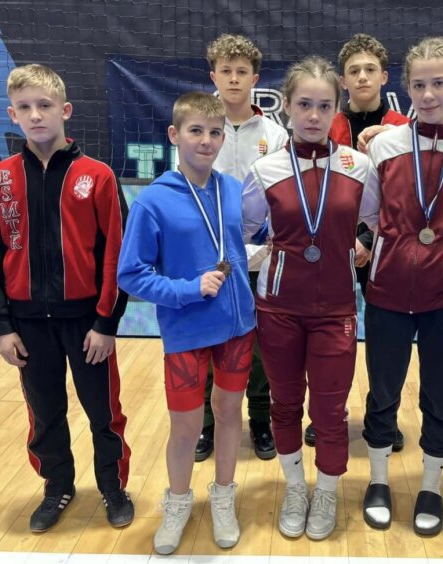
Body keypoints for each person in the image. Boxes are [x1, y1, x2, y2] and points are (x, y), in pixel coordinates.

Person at [0, 64, 133, 533]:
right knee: (44, 414)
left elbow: (117, 255)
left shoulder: (98, 176)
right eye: (24, 107)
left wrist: (106, 323)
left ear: (65, 110)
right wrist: (1, 326)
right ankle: (57, 487)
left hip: (87, 324)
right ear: (12, 114)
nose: (35, 115)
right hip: (28, 326)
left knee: (103, 413)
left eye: (44, 105)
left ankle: (113, 488)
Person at [242, 56, 380, 541]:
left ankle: (326, 491)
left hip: (336, 309)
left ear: (337, 107)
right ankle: (296, 488)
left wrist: (363, 243)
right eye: (304, 104)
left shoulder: (359, 167)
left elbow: (377, 221)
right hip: (278, 308)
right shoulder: (266, 169)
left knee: (329, 412)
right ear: (287, 107)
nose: (314, 115)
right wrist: (264, 256)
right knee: (284, 404)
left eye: (324, 105)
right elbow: (240, 231)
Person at [118, 92, 255, 554]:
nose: (206, 140)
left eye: (215, 132)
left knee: (230, 413)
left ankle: (223, 496)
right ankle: (177, 502)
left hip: (237, 328)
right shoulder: (153, 201)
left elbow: (252, 238)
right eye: (196, 131)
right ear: (174, 135)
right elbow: (131, 274)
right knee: (185, 427)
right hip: (186, 332)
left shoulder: (234, 190)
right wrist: (187, 289)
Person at [360, 38, 443, 536]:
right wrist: (394, 246)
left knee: (439, 396)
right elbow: (370, 212)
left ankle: (431, 486)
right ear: (406, 89)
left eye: (439, 83)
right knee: (382, 392)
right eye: (418, 84)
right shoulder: (386, 145)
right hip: (387, 292)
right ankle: (378, 481)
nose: (428, 94)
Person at [181, 34, 287, 463]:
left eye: (242, 71)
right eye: (225, 71)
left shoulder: (275, 134)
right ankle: (207, 424)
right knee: (209, 340)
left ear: (256, 79)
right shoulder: (199, 129)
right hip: (210, 257)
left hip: (261, 257)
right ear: (213, 76)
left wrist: (275, 239)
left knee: (260, 346)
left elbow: (283, 194)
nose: (234, 79)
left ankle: (259, 420)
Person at [304, 32, 409, 451]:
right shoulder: (325, 124)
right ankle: (325, 414)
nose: (362, 77)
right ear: (343, 80)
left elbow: (408, 196)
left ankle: (384, 418)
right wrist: (348, 241)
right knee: (327, 338)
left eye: (370, 69)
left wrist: (367, 238)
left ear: (384, 76)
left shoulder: (404, 128)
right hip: (330, 249)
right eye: (354, 71)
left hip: (387, 250)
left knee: (387, 341)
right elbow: (313, 190)